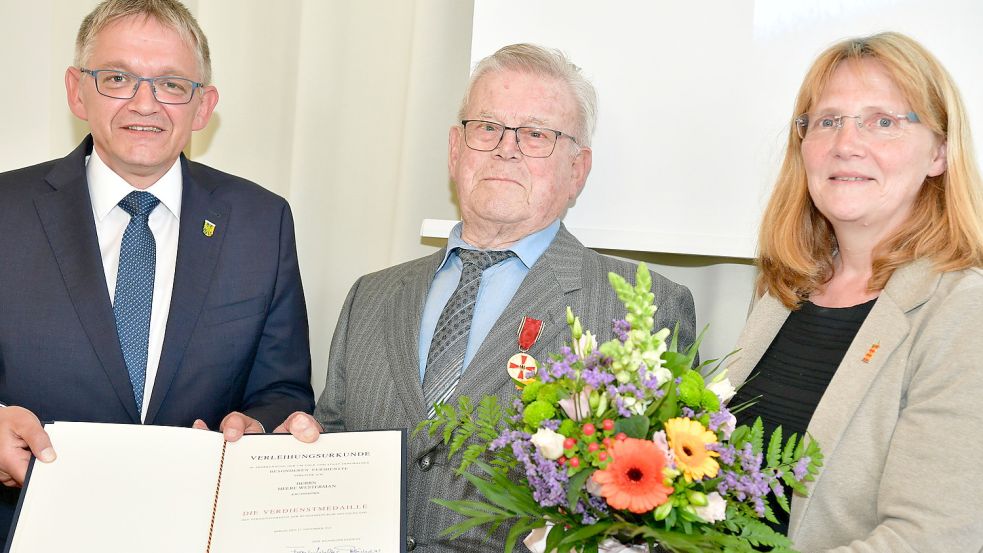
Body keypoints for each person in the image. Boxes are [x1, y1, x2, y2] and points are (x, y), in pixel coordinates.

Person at [275, 44, 697, 551]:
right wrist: (298, 451)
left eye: (537, 134)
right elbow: (337, 439)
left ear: (577, 170)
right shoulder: (372, 295)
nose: (505, 148)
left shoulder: (642, 310)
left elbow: (652, 513)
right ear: (456, 150)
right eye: (487, 127)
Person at [0, 0, 314, 538]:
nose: (145, 103)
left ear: (203, 106)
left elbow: (284, 390)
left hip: (196, 533)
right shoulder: (6, 210)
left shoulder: (262, 222)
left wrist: (256, 425)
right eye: (118, 78)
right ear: (77, 91)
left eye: (171, 84)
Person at [729, 32, 983, 551]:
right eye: (827, 121)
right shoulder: (782, 291)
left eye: (883, 121)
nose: (846, 143)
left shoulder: (964, 311)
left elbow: (934, 538)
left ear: (939, 151)